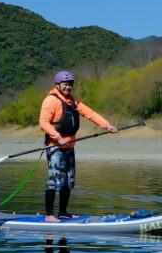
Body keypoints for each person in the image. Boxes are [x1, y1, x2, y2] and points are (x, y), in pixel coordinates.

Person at [38, 70, 119, 223]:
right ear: (57, 85)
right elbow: (43, 123)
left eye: (70, 85)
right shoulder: (50, 100)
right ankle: (49, 215)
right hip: (55, 147)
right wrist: (58, 137)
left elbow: (90, 113)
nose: (68, 87)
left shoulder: (73, 101)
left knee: (68, 180)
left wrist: (107, 126)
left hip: (70, 146)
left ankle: (62, 213)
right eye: (65, 84)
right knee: (55, 180)